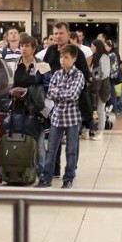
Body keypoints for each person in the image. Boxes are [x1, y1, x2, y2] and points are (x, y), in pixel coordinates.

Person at [36, 44, 85, 189]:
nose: (62, 60)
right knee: (51, 149)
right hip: (56, 117)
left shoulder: (79, 75)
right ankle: (46, 178)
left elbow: (74, 95)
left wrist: (60, 91)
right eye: (61, 57)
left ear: (74, 59)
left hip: (72, 118)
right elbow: (50, 92)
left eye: (66, 57)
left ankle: (68, 178)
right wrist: (62, 92)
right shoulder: (57, 74)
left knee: (71, 150)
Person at [9, 34, 50, 176]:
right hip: (17, 108)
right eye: (22, 46)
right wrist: (12, 91)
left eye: (27, 46)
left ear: (33, 49)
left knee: (38, 143)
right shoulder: (13, 64)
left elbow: (47, 86)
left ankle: (41, 171)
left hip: (35, 109)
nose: (23, 49)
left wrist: (28, 92)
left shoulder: (42, 65)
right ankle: (20, 169)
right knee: (17, 139)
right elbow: (7, 85)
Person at [88, 39, 111, 141]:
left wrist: (94, 76)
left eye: (93, 46)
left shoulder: (104, 57)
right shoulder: (94, 58)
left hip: (102, 87)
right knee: (95, 109)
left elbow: (105, 73)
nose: (91, 48)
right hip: (94, 86)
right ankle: (91, 129)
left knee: (100, 109)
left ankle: (100, 131)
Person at [105, 40, 122, 114]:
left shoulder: (111, 55)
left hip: (111, 77)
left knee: (112, 93)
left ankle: (114, 109)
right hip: (112, 76)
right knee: (112, 93)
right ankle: (115, 109)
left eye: (106, 46)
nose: (105, 47)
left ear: (110, 47)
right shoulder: (114, 54)